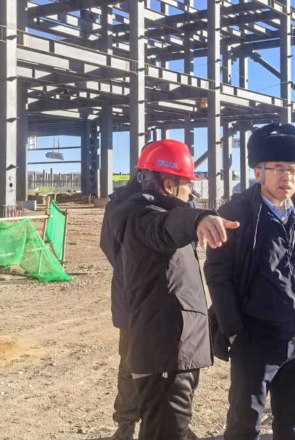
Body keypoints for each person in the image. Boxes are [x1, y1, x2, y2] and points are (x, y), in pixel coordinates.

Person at [204, 123, 295, 440]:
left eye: (293, 169)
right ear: (259, 172)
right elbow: (218, 274)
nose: (287, 176)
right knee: (244, 424)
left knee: (294, 423)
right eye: (278, 169)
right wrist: (233, 330)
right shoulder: (236, 213)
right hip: (255, 337)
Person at [110, 139, 239, 440]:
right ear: (169, 185)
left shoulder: (142, 213)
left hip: (173, 352)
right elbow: (166, 225)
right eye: (187, 185)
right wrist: (198, 218)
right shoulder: (144, 217)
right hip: (165, 354)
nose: (190, 193)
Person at [100, 176, 143, 440]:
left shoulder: (118, 204)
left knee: (133, 361)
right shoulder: (120, 205)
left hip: (136, 294)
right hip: (134, 297)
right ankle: (127, 423)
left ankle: (171, 419)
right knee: (131, 361)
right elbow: (111, 247)